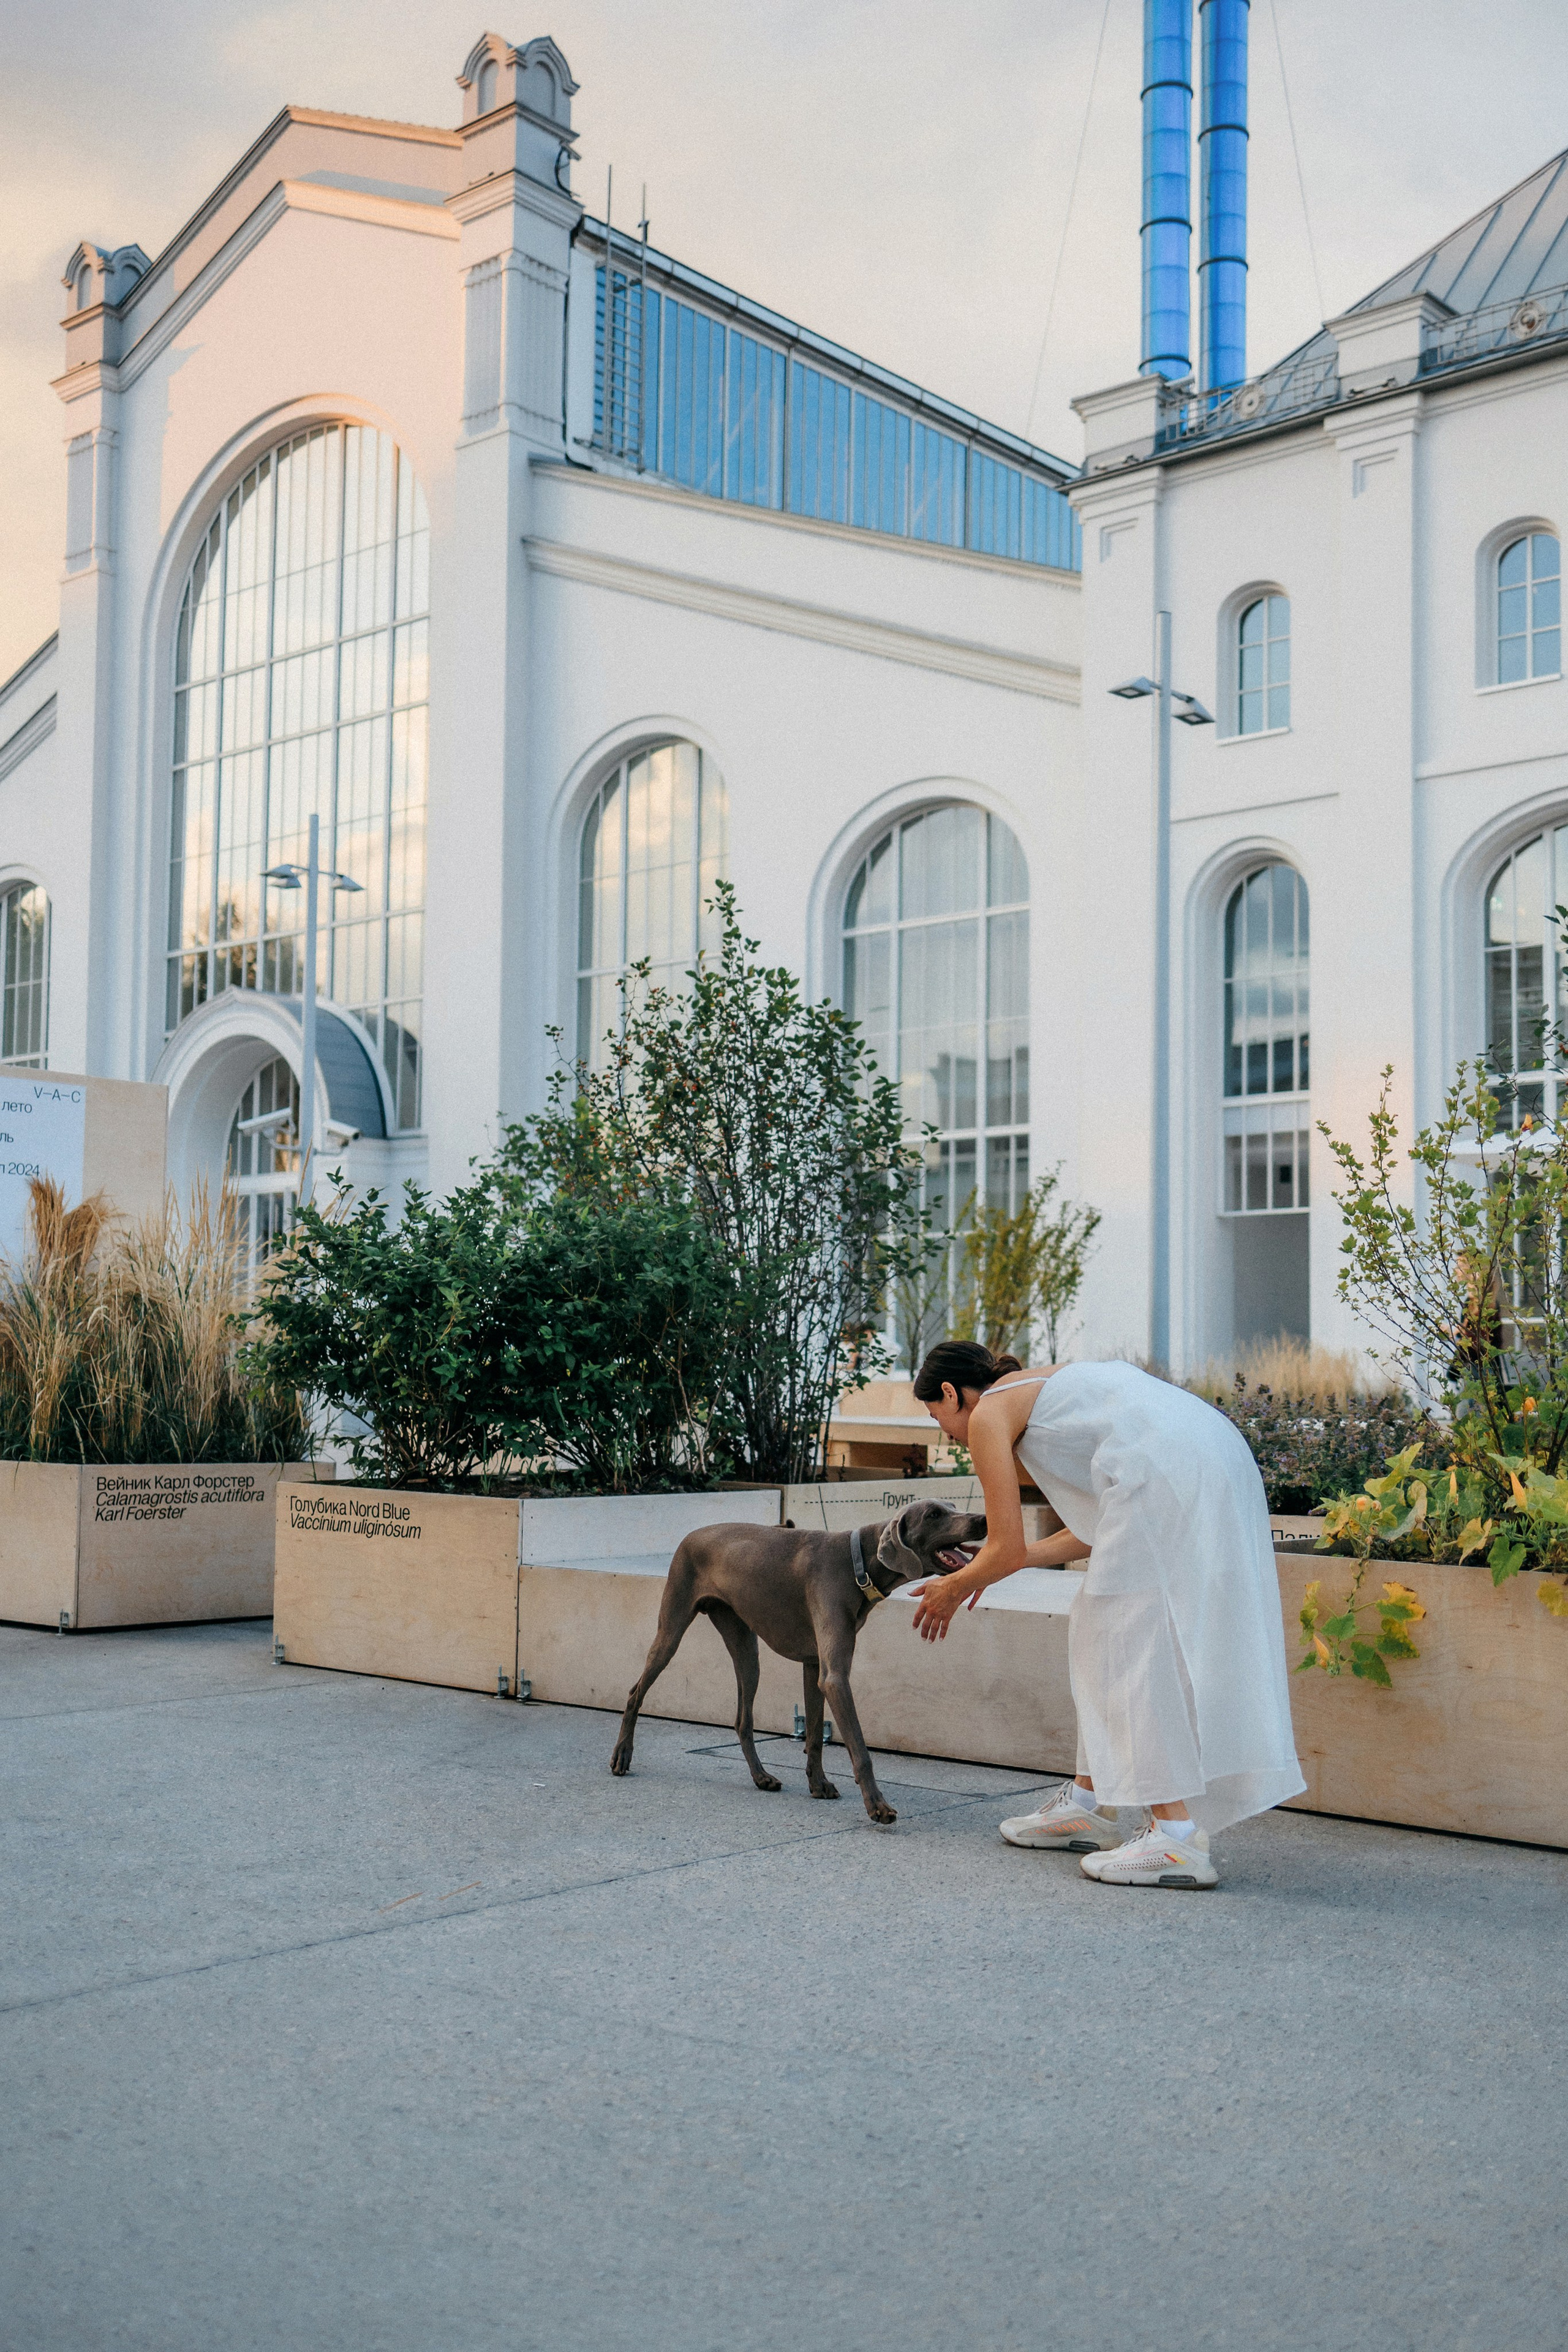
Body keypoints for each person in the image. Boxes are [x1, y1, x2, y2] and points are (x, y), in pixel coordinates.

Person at [908, 1341, 1304, 1890]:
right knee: (1102, 1635)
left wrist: (954, 1585)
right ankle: (1092, 1805)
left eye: (937, 1417)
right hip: (1211, 1454)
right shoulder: (1045, 1393)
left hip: (1168, 1469)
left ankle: (1175, 1839)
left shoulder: (989, 1414)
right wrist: (983, 1569)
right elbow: (1080, 1533)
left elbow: (1005, 1547)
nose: (946, 1433)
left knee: (1126, 1647)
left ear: (951, 1394)